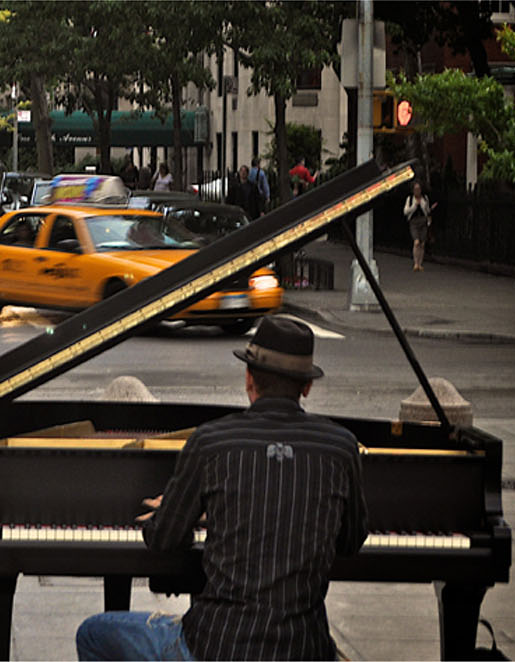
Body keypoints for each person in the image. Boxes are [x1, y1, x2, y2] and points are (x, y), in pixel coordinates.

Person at [76, 316, 368, 661]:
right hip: (303, 649)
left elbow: (162, 539)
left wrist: (197, 509)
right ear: (306, 387)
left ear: (249, 379)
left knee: (93, 634)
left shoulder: (212, 442)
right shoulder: (341, 447)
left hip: (217, 646)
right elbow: (351, 542)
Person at [403, 181, 437, 272]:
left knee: (422, 243)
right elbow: (405, 212)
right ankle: (415, 263)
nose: (417, 191)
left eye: (418, 189)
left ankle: (420, 263)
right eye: (415, 189)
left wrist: (430, 212)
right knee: (416, 242)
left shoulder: (425, 198)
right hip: (414, 221)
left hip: (423, 220)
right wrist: (414, 206)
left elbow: (427, 210)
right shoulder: (410, 199)